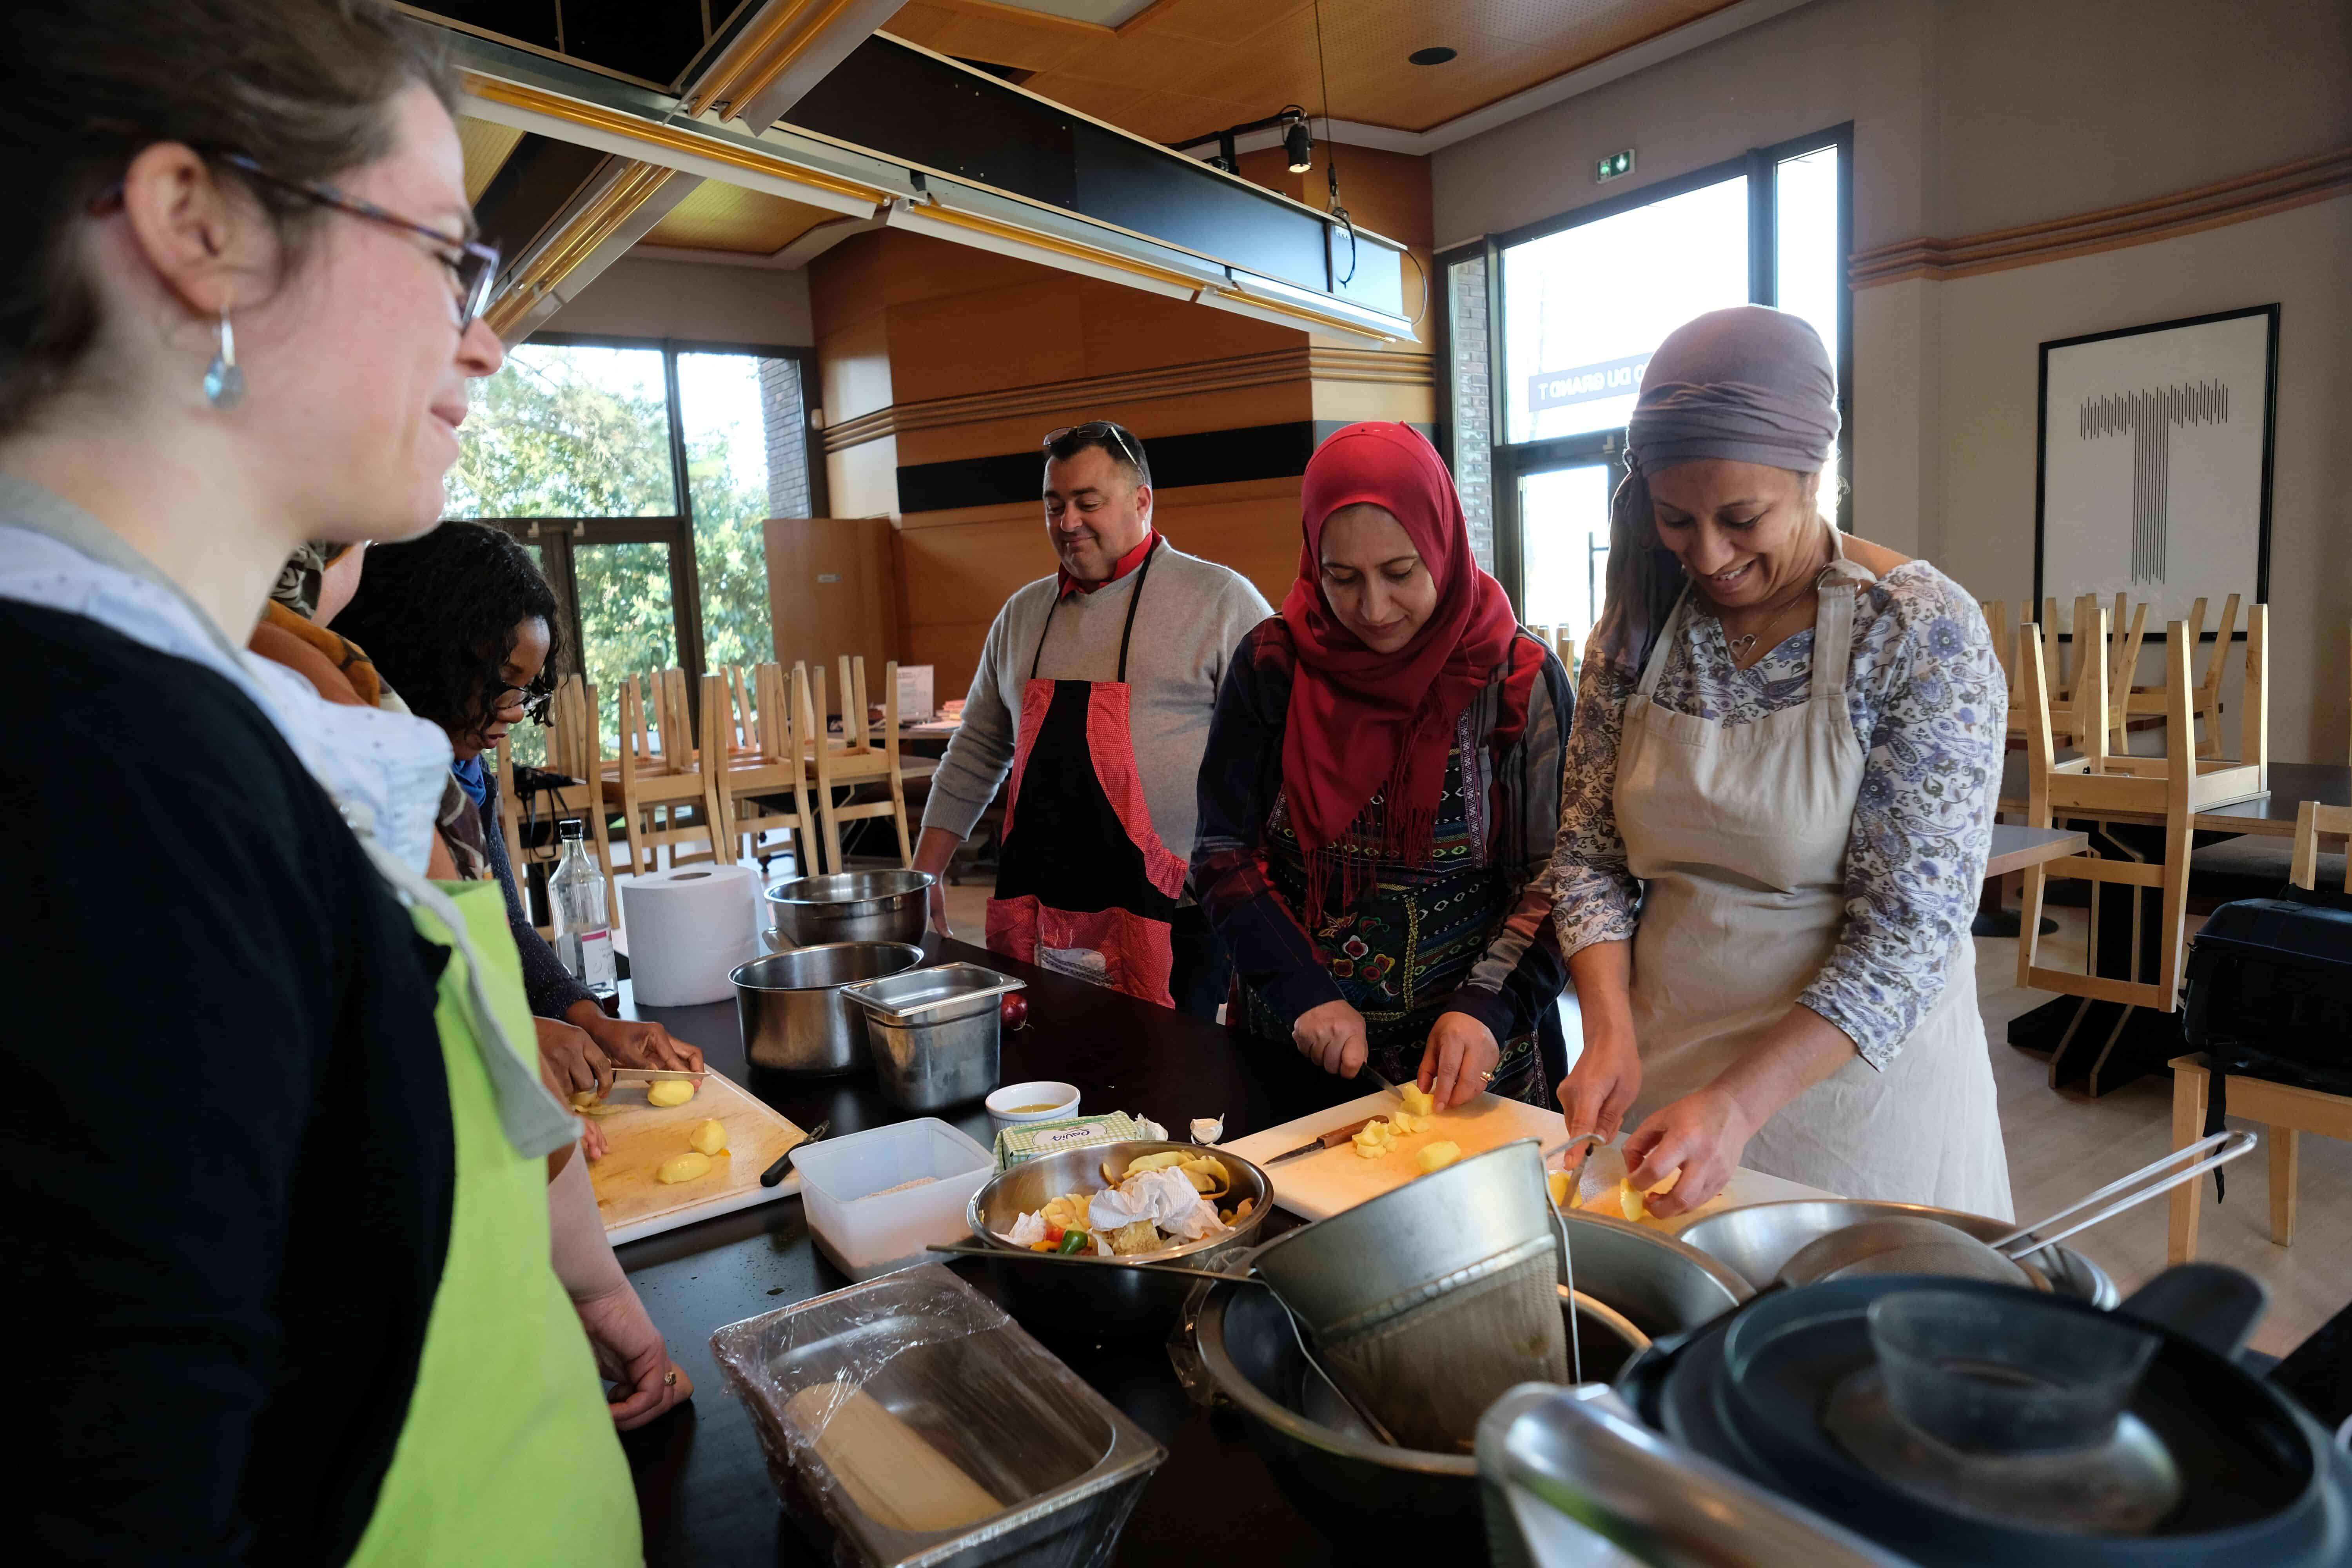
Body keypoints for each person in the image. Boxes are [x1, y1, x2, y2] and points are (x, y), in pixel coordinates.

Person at [0, 2, 642, 1559]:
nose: (483, 337)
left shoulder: (172, 724)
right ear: (197, 227)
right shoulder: (102, 784)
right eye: (446, 254)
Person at [1548, 305, 2011, 1220]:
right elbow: (1589, 855)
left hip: (1854, 1106)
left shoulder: (1915, 630)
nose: (1709, 555)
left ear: (1816, 475)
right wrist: (1607, 1028)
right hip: (1671, 1078)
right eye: (1677, 520)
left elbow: (1907, 936)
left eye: (1742, 517)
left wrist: (1741, 1101)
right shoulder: (1640, 626)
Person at [1194, 422, 1572, 1107]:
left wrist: (1487, 1005)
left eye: (1400, 573)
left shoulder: (1516, 680)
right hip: (1295, 1042)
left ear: (1444, 546)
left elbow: (1557, 881)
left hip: (1475, 1061)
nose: (1373, 608)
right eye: (1342, 578)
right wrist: (1302, 990)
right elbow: (1224, 853)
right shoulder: (1274, 667)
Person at [910, 420, 1270, 1015]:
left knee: (1176, 1096)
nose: (1067, 522)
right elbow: (977, 749)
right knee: (1050, 1079)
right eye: (1054, 506)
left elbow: (1280, 753)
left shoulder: (1221, 601)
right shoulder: (1023, 616)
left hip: (1182, 919)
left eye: (1087, 503)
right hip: (1043, 917)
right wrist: (925, 876)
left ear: (1142, 500)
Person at [336, 519, 706, 1093]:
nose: (513, 709)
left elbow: (505, 922)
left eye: (526, 689)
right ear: (433, 655)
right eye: (500, 680)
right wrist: (517, 1029)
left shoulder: (465, 779)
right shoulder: (347, 770)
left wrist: (592, 1020)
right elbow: (383, 977)